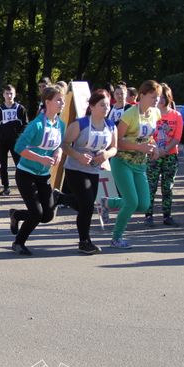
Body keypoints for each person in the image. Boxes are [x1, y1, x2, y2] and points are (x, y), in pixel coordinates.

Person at [100, 80, 162, 249]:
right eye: (153, 96)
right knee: (131, 202)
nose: (156, 100)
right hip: (122, 162)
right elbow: (117, 141)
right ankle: (116, 238)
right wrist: (139, 146)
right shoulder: (129, 114)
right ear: (142, 96)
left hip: (140, 163)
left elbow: (150, 137)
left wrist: (154, 148)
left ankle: (107, 202)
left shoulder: (155, 113)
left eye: (158, 97)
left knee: (144, 204)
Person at [7, 86, 66, 255]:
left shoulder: (60, 124)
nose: (62, 103)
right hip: (26, 173)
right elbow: (19, 147)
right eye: (59, 100)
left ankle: (16, 215)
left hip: (43, 174)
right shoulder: (36, 124)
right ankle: (18, 242)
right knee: (36, 213)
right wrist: (41, 158)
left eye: (62, 100)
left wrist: (58, 152)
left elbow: (59, 144)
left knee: (47, 216)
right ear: (48, 102)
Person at [61, 89, 118, 254]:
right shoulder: (80, 124)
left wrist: (106, 154)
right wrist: (78, 155)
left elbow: (114, 148)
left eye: (108, 105)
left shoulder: (110, 125)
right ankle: (84, 241)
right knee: (86, 205)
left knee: (85, 203)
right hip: (75, 169)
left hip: (94, 170)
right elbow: (64, 144)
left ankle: (61, 197)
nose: (106, 108)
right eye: (102, 105)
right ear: (92, 106)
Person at [144, 83, 183, 226]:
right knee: (151, 186)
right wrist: (156, 150)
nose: (160, 100)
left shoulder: (176, 115)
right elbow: (147, 134)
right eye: (157, 97)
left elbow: (177, 137)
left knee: (168, 187)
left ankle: (167, 215)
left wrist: (165, 150)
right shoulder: (150, 113)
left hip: (170, 155)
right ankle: (148, 215)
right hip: (153, 154)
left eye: (162, 97)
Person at [0, 84, 29, 196]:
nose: (9, 95)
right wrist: (0, 134)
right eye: (7, 93)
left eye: (11, 93)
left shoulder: (20, 108)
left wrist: (18, 134)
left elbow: (26, 124)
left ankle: (23, 186)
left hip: (16, 141)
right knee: (3, 164)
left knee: (19, 164)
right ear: (3, 95)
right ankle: (6, 187)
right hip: (2, 141)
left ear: (15, 94)